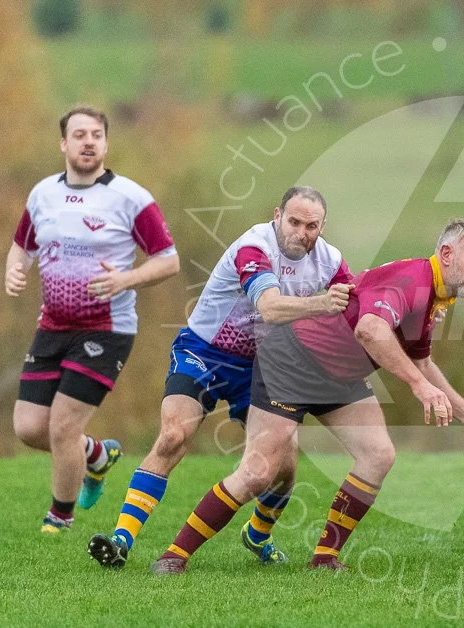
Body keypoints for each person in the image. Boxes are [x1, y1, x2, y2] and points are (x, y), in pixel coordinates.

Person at [150, 219, 464, 575]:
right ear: (446, 254)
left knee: (378, 455)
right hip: (292, 363)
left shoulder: (433, 295)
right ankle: (174, 556)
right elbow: (371, 330)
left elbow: (422, 361)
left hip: (338, 377)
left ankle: (325, 558)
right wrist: (418, 386)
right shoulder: (412, 280)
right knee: (258, 474)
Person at [86, 186, 352, 569]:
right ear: (277, 215)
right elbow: (270, 307)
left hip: (264, 368)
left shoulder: (330, 261)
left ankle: (257, 535)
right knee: (173, 435)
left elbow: (362, 303)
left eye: (311, 225)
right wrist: (322, 303)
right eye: (293, 221)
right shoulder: (255, 248)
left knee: (283, 466)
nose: (301, 232)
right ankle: (121, 540)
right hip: (205, 352)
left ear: (322, 226)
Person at [5, 106, 179, 534]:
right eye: (79, 134)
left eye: (96, 135)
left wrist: (127, 279)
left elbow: (168, 261)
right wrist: (15, 268)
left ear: (106, 143)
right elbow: (21, 245)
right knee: (29, 428)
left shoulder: (130, 198)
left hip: (107, 328)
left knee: (63, 425)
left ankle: (59, 517)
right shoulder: (42, 193)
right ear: (63, 143)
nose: (88, 142)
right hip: (52, 326)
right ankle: (96, 456)